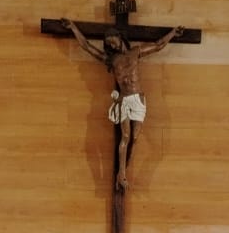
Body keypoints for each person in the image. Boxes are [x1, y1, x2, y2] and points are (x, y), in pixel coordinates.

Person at [60, 19, 184, 187]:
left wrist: (173, 33)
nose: (112, 46)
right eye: (109, 44)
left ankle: (123, 170)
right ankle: (122, 175)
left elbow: (158, 45)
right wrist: (73, 28)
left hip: (138, 99)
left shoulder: (135, 52)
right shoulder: (111, 60)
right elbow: (87, 46)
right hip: (124, 99)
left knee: (134, 138)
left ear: (119, 38)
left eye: (113, 41)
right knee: (125, 136)